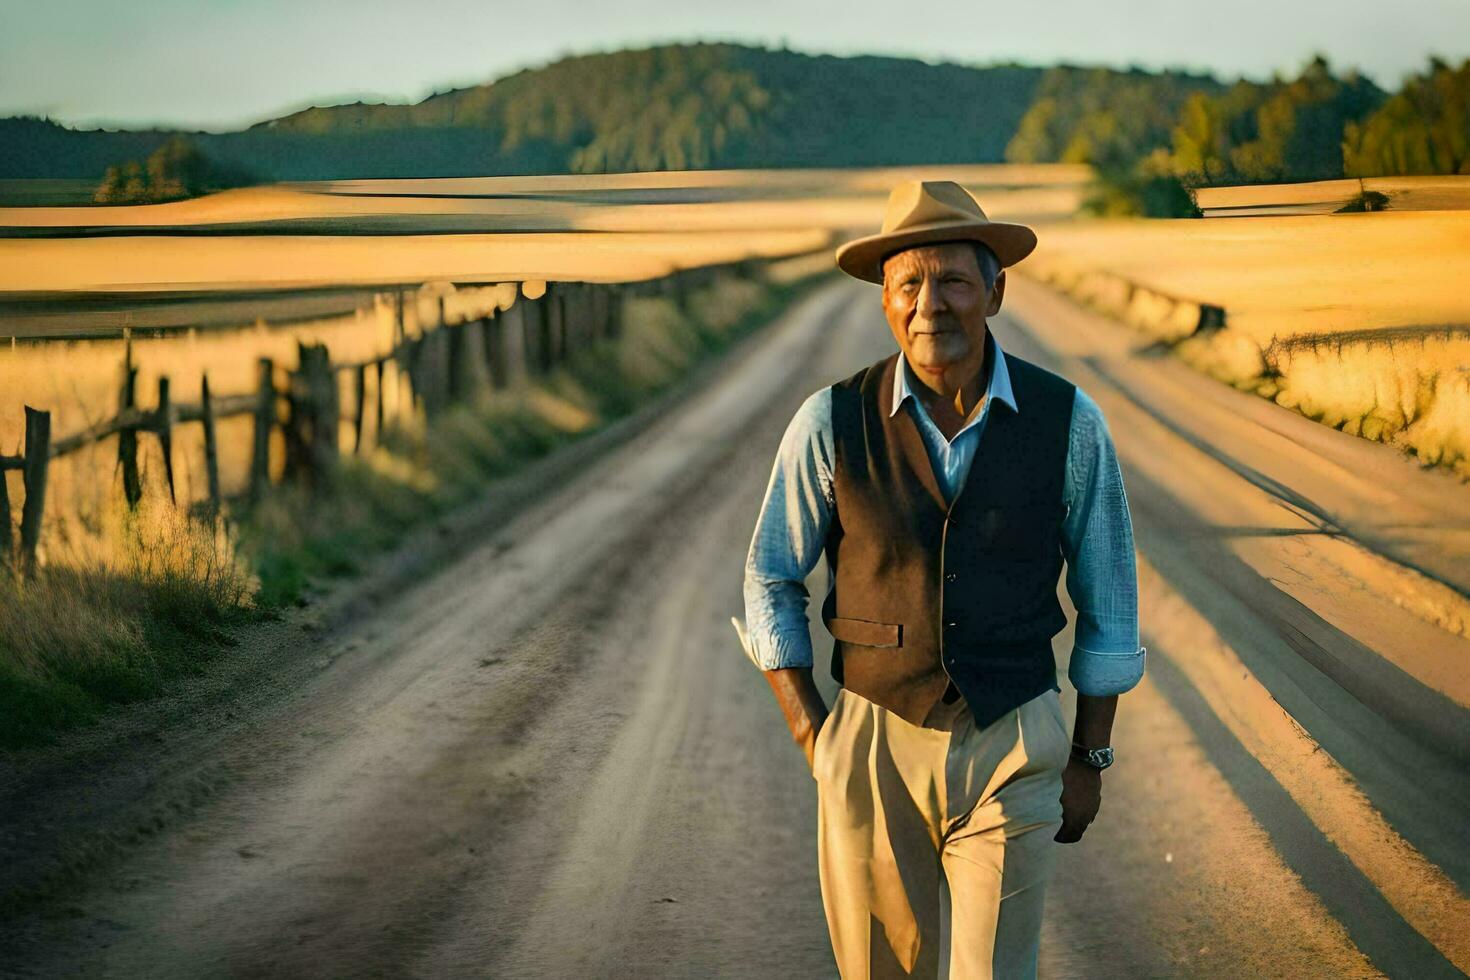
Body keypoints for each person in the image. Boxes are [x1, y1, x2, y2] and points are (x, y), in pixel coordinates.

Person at [735, 179, 1146, 979]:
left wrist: (1090, 755)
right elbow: (770, 576)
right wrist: (815, 738)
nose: (931, 304)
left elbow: (1111, 603)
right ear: (885, 300)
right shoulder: (829, 420)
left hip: (1012, 742)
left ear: (996, 290)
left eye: (954, 280)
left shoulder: (1069, 421)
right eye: (909, 283)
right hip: (872, 741)